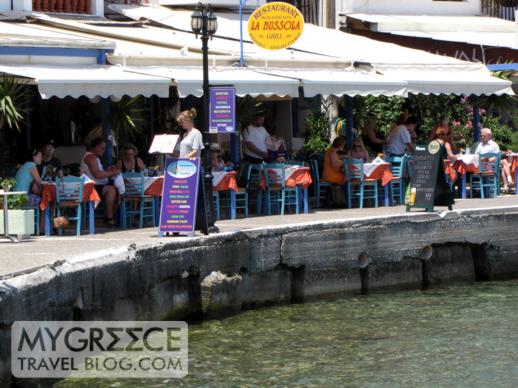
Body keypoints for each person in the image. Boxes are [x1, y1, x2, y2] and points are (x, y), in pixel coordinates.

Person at [80, 137, 121, 227]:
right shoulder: (90, 157)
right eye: (102, 148)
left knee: (117, 191)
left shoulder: (93, 157)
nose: (104, 150)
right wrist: (113, 172)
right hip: (91, 187)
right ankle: (109, 218)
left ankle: (109, 216)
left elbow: (99, 172)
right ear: (96, 147)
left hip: (97, 186)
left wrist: (108, 171)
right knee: (111, 190)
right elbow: (97, 174)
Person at [474, 128, 513, 193]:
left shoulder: (494, 145)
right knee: (504, 163)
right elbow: (475, 155)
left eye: (484, 136)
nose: (482, 137)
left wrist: (488, 160)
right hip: (479, 165)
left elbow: (496, 156)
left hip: (489, 165)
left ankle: (508, 181)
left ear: (489, 135)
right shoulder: (480, 145)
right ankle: (508, 182)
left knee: (504, 161)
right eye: (481, 136)